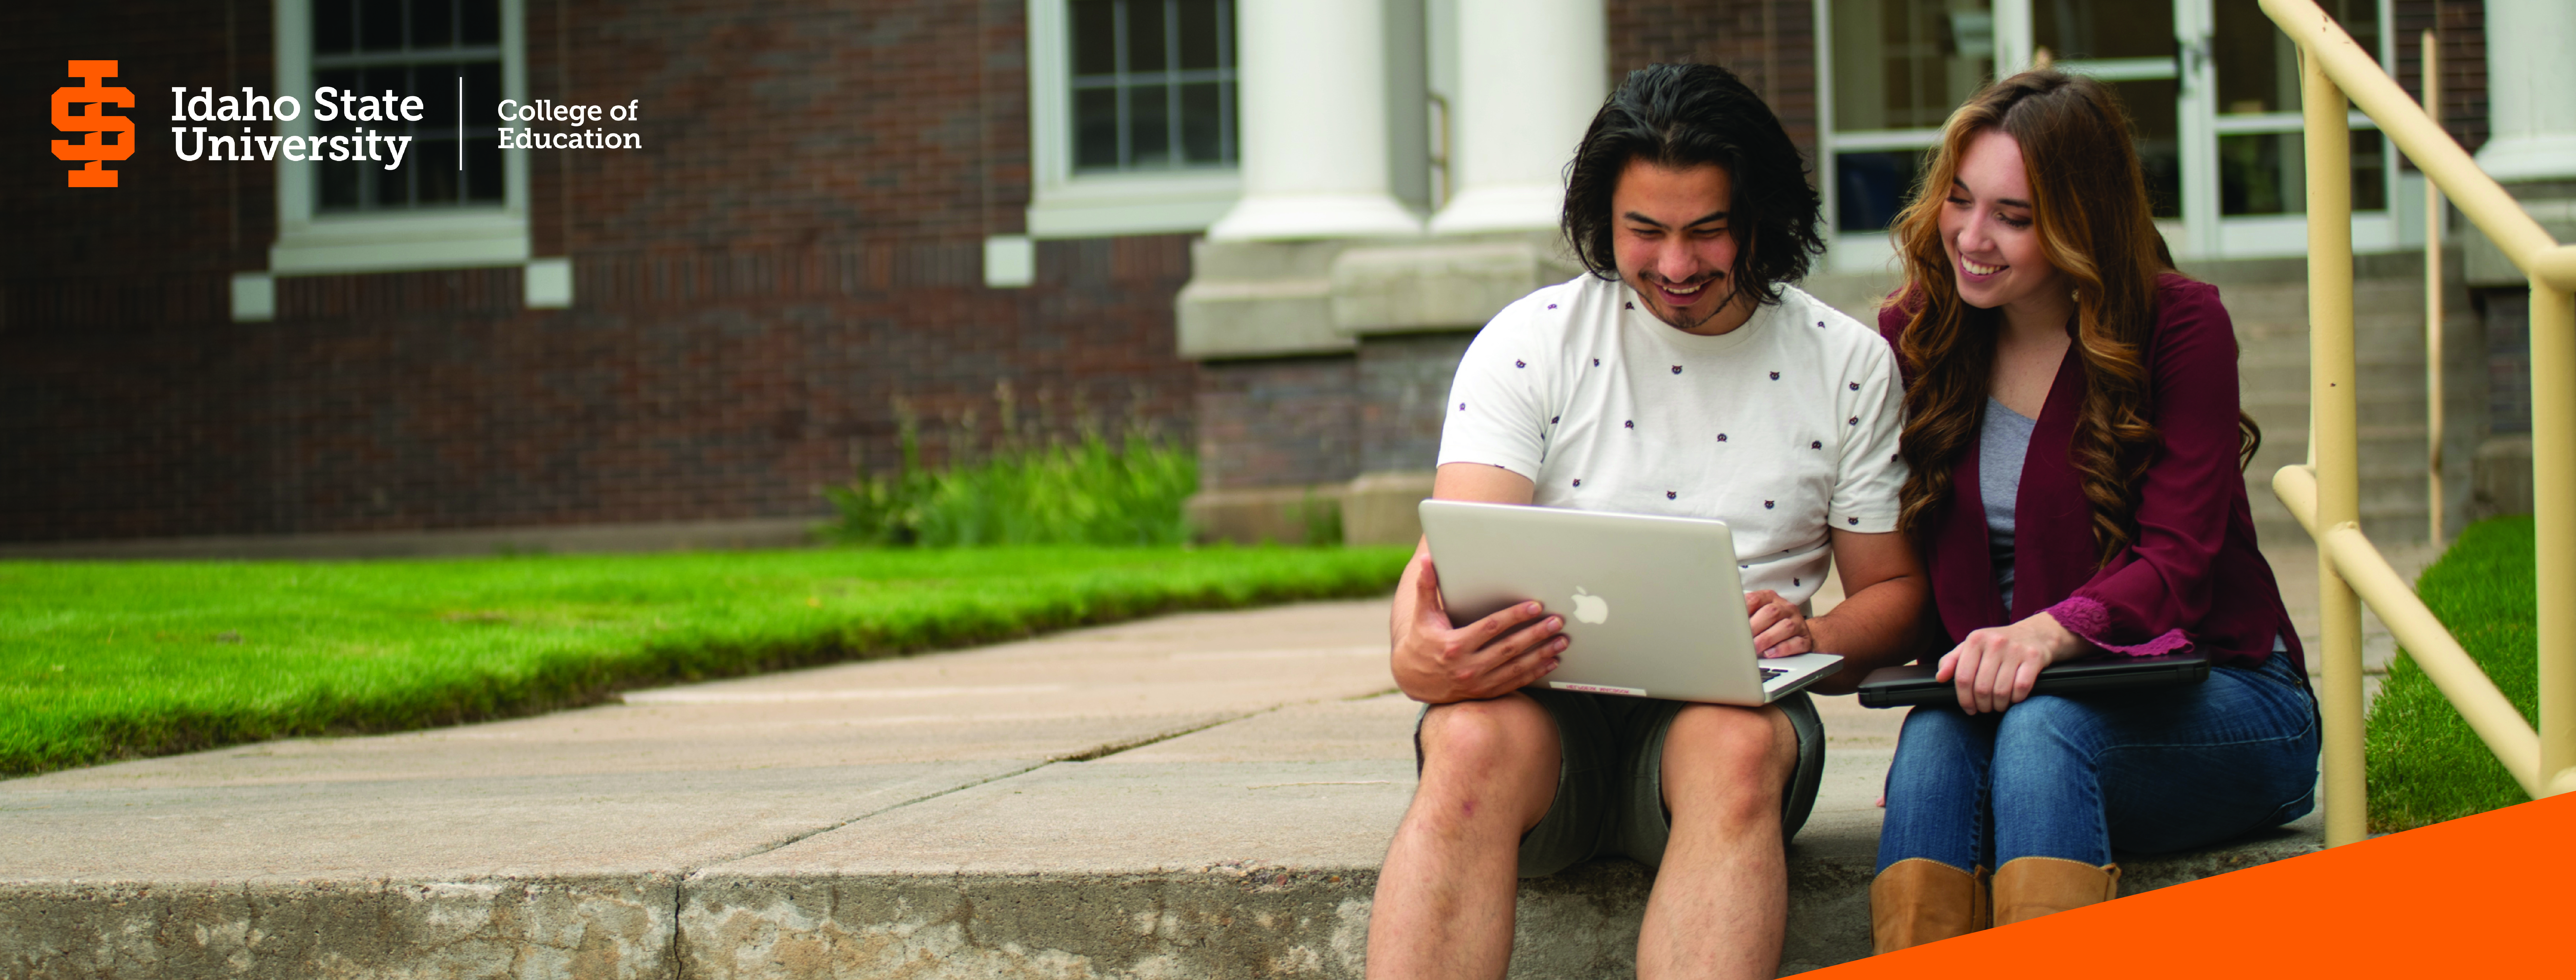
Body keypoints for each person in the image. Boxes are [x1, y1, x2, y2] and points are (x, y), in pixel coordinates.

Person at [1368, 63, 1928, 980]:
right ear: (1604, 223)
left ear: (1762, 220)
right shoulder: (1532, 340)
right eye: (1645, 232)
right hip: (1537, 727)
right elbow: (1448, 550)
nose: (1676, 267)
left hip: (1729, 726)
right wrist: (1413, 649)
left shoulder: (1848, 364)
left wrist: (1817, 631)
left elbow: (1898, 594)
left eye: (1708, 232)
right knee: (1464, 738)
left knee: (1736, 742)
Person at [1866, 70, 2320, 951]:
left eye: (2014, 215)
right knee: (1929, 745)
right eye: (1959, 201)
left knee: (2042, 731)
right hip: (1999, 696)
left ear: (2080, 220)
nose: (1971, 236)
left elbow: (2178, 562)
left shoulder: (2177, 326)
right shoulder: (1921, 333)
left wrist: (2043, 634)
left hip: (2221, 694)